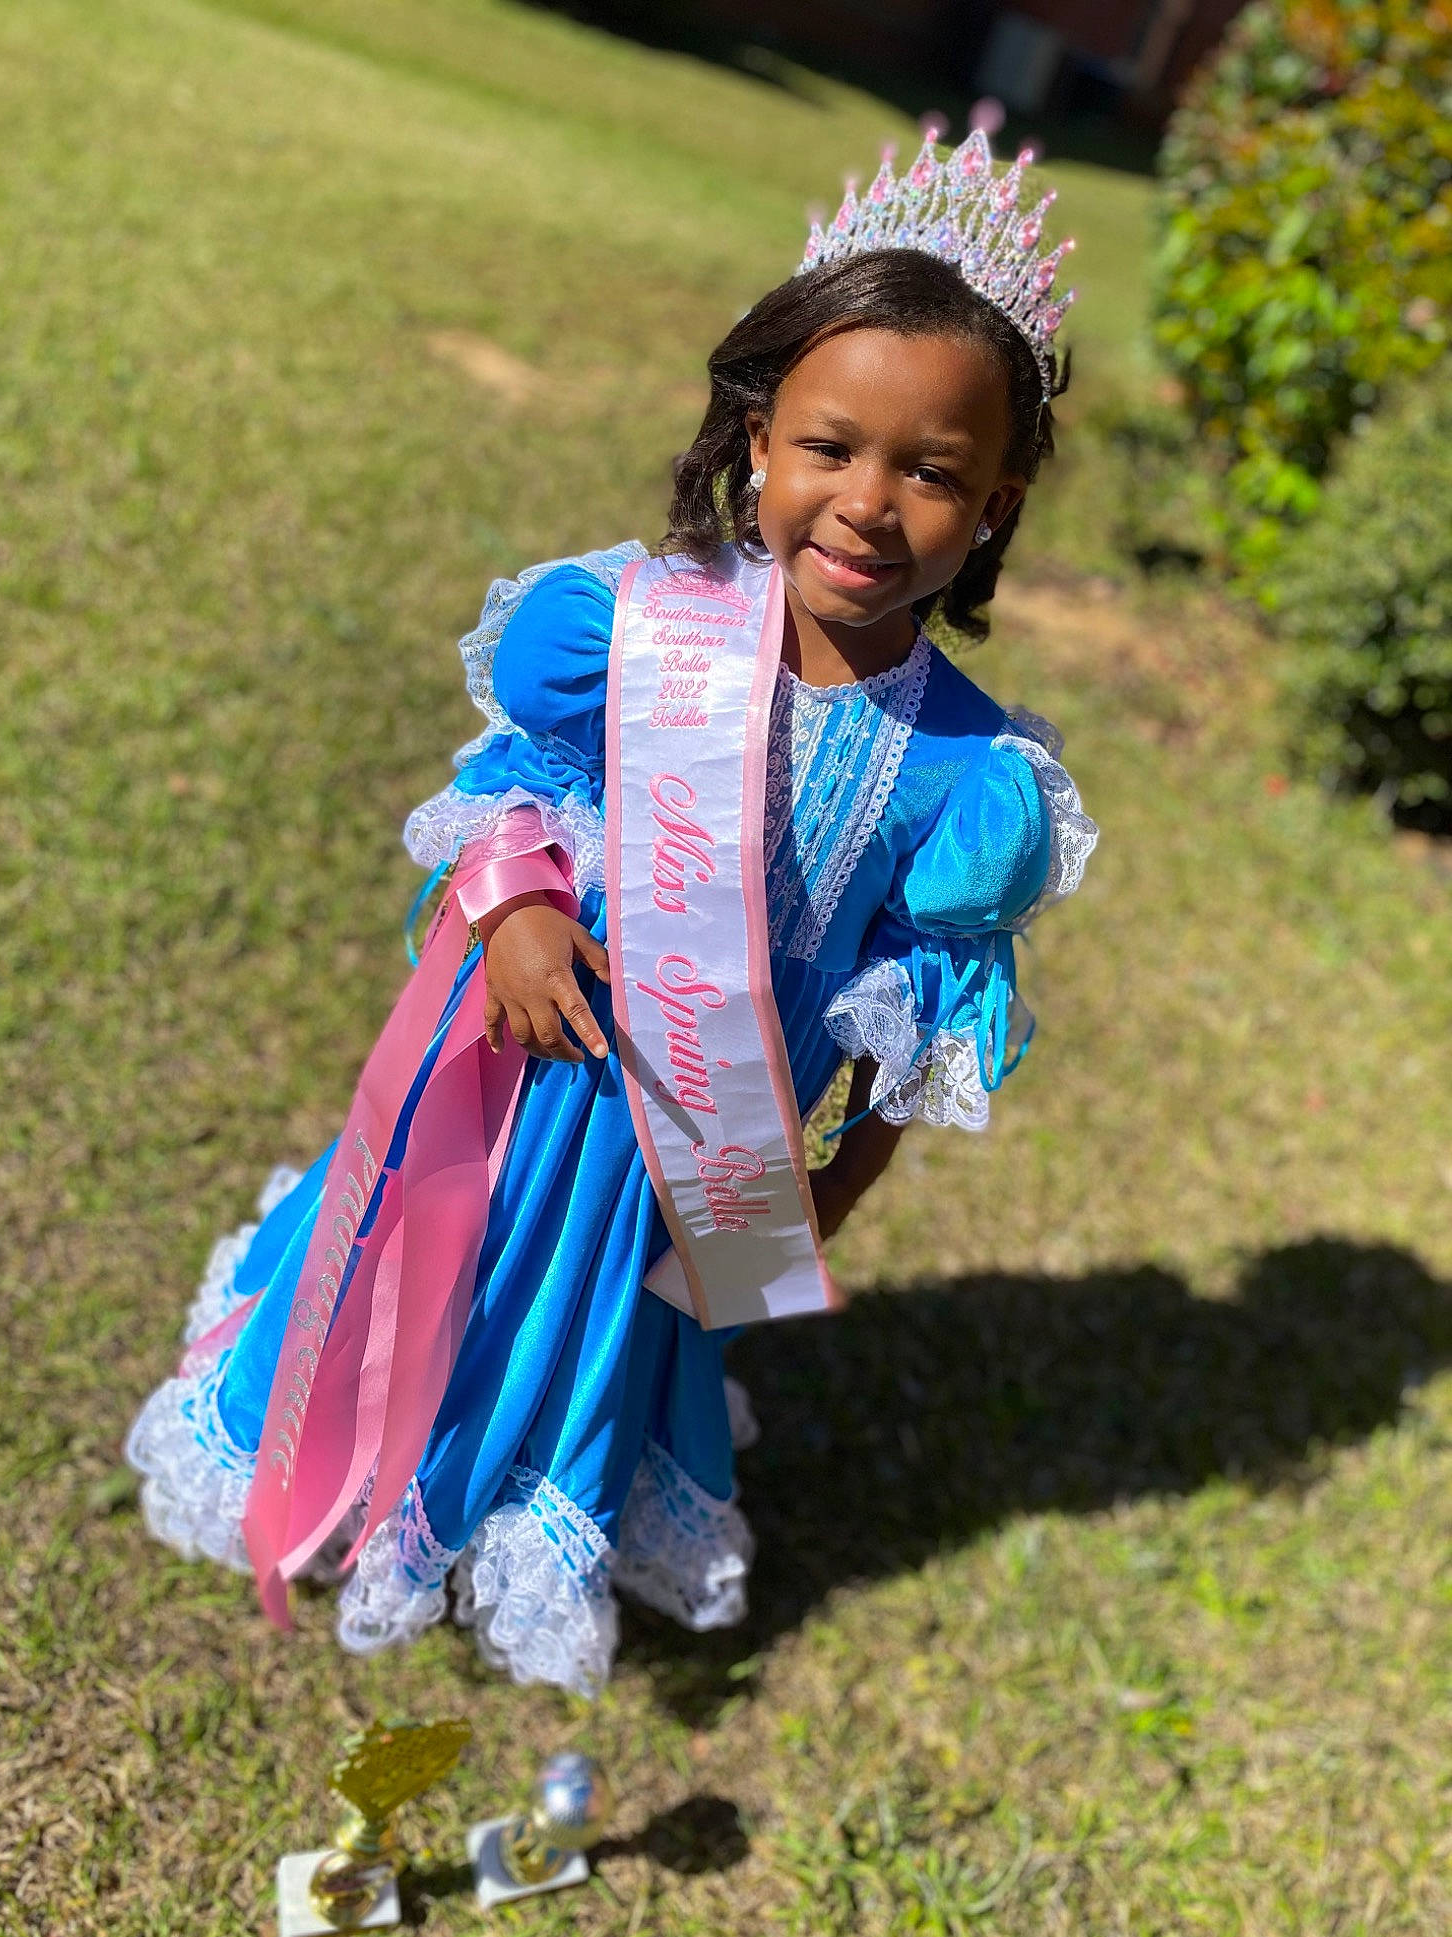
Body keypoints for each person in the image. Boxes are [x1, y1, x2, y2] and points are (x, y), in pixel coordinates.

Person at [127, 130, 1097, 1698]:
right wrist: (511, 906)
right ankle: (351, 1461)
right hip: (514, 1083)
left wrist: (830, 1193)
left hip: (682, 1156)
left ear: (997, 500)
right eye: (831, 447)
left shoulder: (975, 779)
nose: (868, 504)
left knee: (579, 1334)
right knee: (435, 1270)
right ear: (758, 442)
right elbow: (514, 788)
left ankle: (515, 1504)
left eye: (931, 472)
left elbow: (919, 1026)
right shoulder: (632, 631)